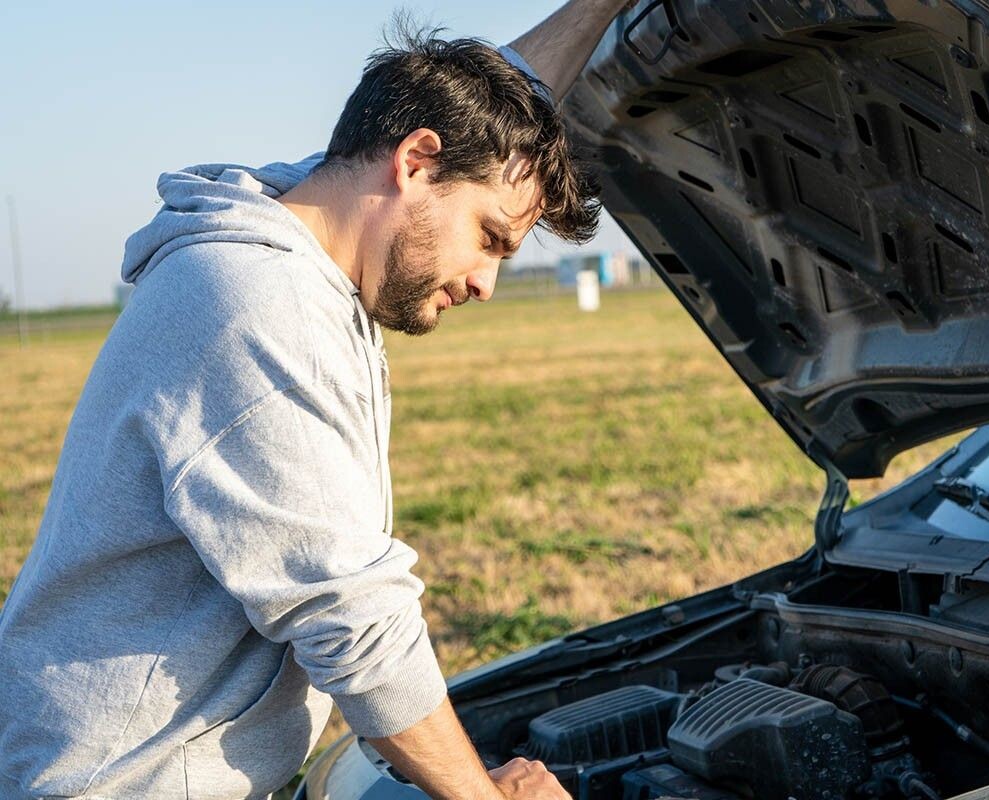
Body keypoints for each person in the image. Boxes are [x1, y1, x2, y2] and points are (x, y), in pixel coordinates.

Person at [0, 2, 627, 798]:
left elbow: (486, 104)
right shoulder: (254, 304)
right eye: (490, 238)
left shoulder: (311, 221)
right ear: (416, 162)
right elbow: (355, 622)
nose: (486, 282)